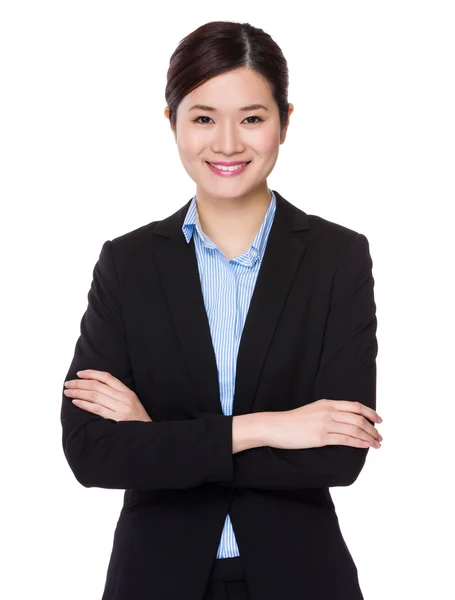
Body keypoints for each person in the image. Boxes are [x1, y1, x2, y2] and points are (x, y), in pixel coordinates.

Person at [60, 20, 382, 600]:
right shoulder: (127, 264)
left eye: (252, 118)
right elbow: (92, 453)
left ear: (286, 121)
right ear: (172, 123)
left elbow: (338, 456)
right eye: (203, 117)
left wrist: (159, 439)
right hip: (154, 579)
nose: (228, 143)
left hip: (303, 579)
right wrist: (270, 428)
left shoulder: (338, 256)